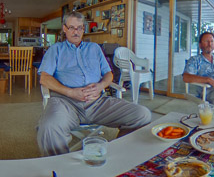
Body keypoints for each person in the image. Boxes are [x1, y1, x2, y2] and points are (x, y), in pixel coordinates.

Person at [36, 12, 151, 155]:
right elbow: (44, 78)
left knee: (142, 114)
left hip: (98, 102)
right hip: (65, 103)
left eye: (79, 28)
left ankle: (117, 152)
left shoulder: (94, 48)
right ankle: (60, 166)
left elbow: (109, 74)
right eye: (71, 27)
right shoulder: (56, 49)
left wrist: (100, 86)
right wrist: (70, 92)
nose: (76, 32)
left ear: (83, 29)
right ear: (64, 29)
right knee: (49, 127)